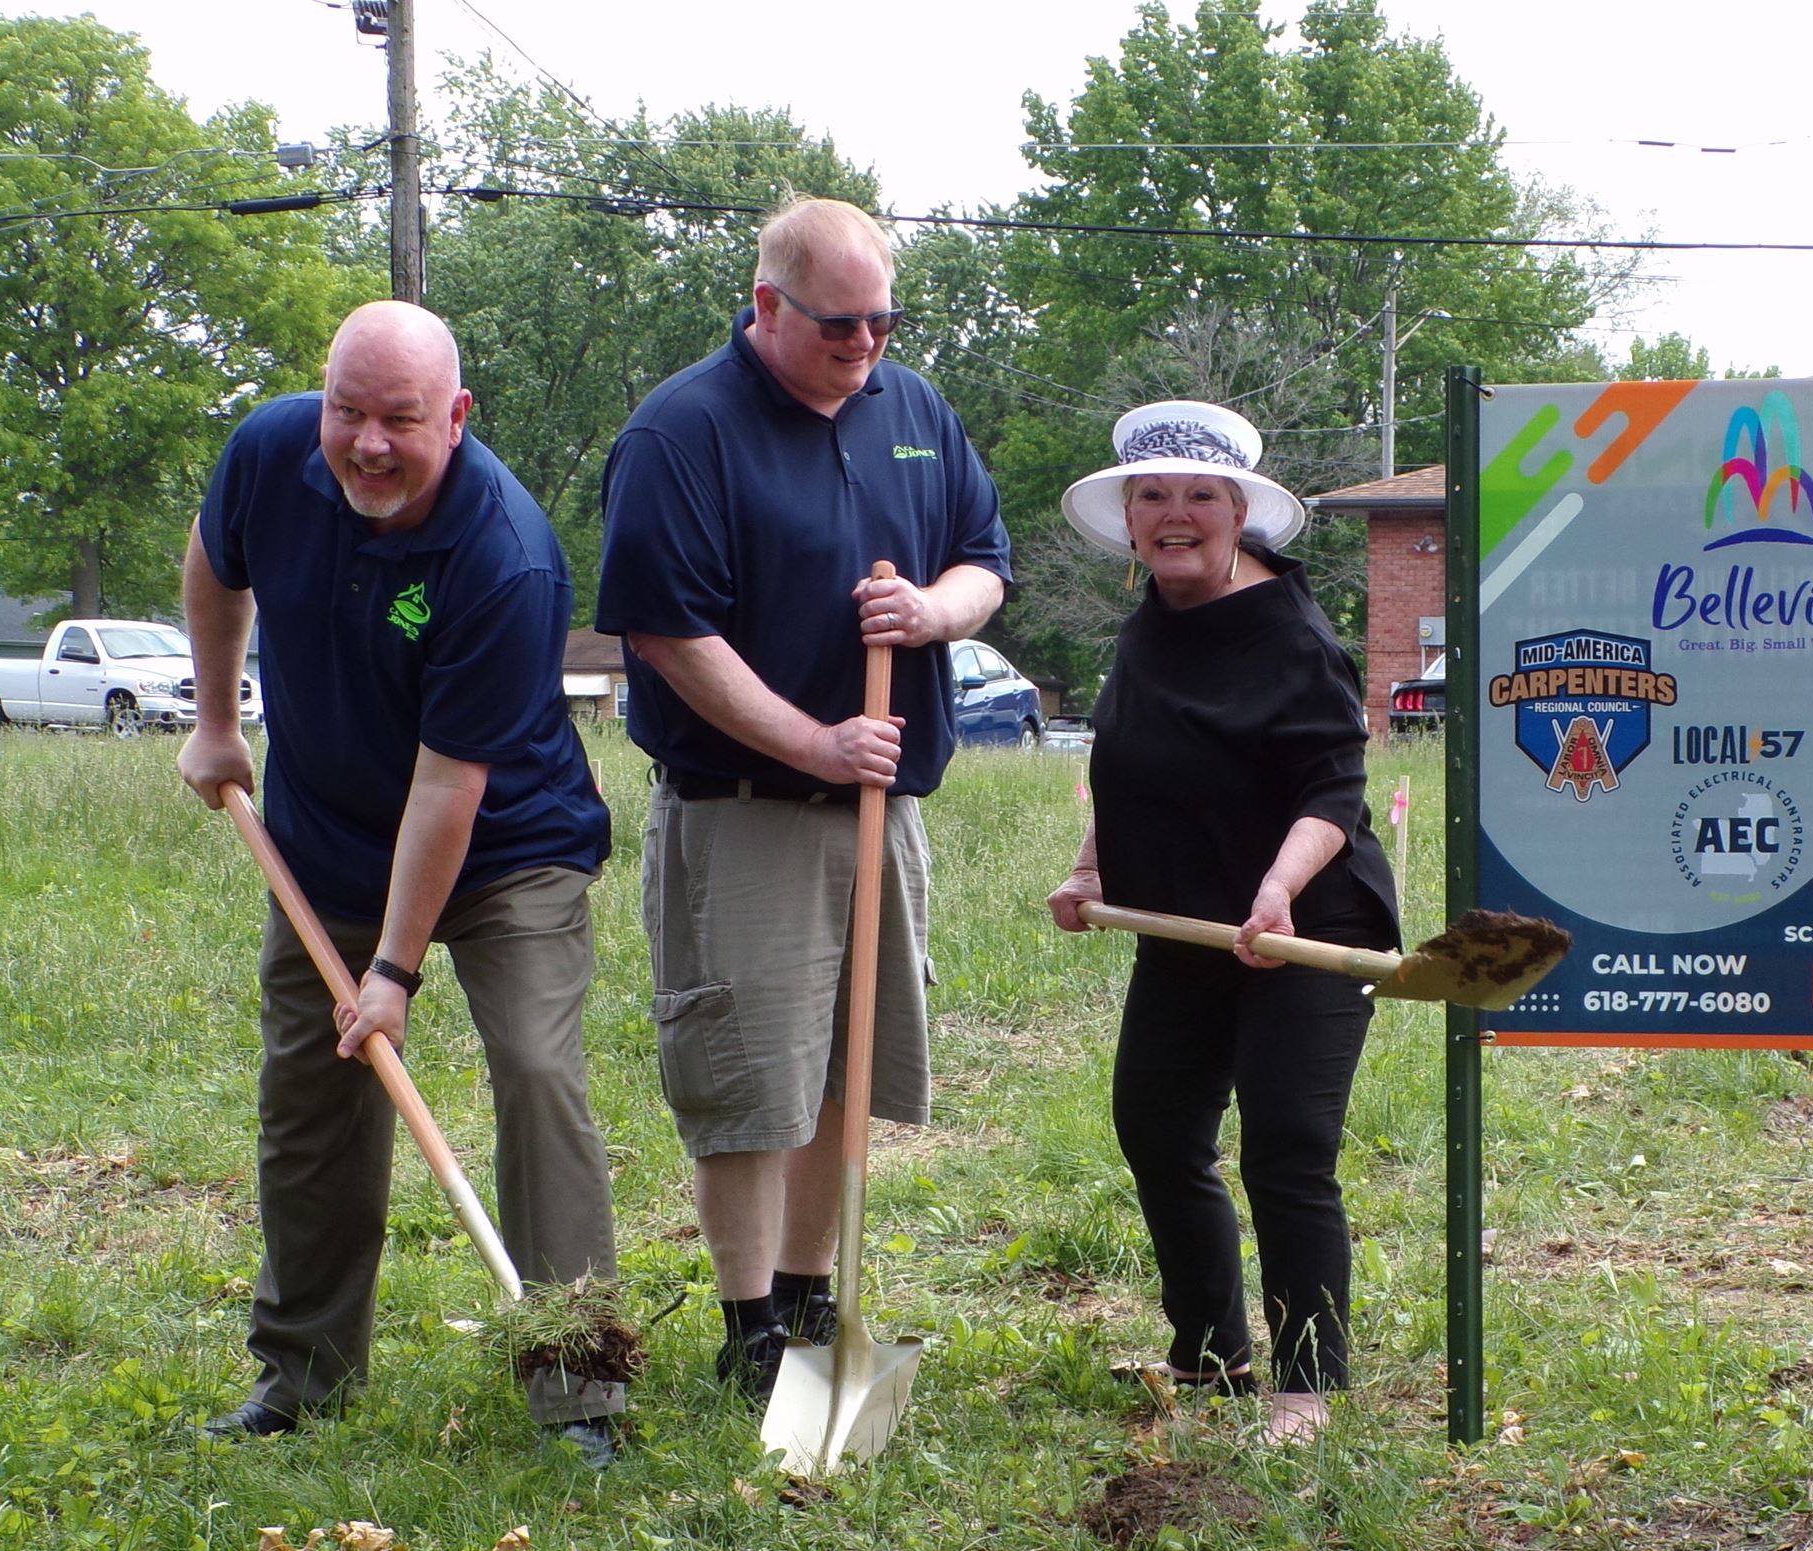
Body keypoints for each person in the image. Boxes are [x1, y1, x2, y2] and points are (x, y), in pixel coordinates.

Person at [178, 300, 622, 1466]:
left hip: (506, 846)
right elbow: (214, 566)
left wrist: (392, 972)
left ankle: (578, 1385)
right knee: (312, 1098)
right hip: (324, 842)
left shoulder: (505, 556)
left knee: (533, 1069)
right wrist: (217, 723)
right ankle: (301, 1375)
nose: (368, 444)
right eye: (348, 412)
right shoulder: (270, 454)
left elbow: (448, 786)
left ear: (459, 418)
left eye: (402, 421)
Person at [594, 197, 1010, 1403]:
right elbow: (671, 634)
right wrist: (812, 743)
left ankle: (810, 1296)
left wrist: (936, 611)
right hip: (747, 810)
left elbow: (986, 560)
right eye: (840, 324)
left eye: (883, 319)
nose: (867, 344)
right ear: (767, 305)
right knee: (748, 1075)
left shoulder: (913, 408)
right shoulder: (683, 432)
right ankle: (746, 1326)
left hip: (887, 809)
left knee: (847, 1066)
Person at [1046, 402, 1399, 1445]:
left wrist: (1277, 889)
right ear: (1126, 516)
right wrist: (1087, 865)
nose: (1172, 515)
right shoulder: (1150, 621)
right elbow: (1131, 765)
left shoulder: (1293, 636)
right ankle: (1208, 1355)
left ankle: (1304, 1386)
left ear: (1238, 511)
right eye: (1150, 495)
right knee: (1156, 1129)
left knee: (1284, 1148)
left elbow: (1331, 790)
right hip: (1184, 924)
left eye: (1198, 495)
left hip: (1303, 923)